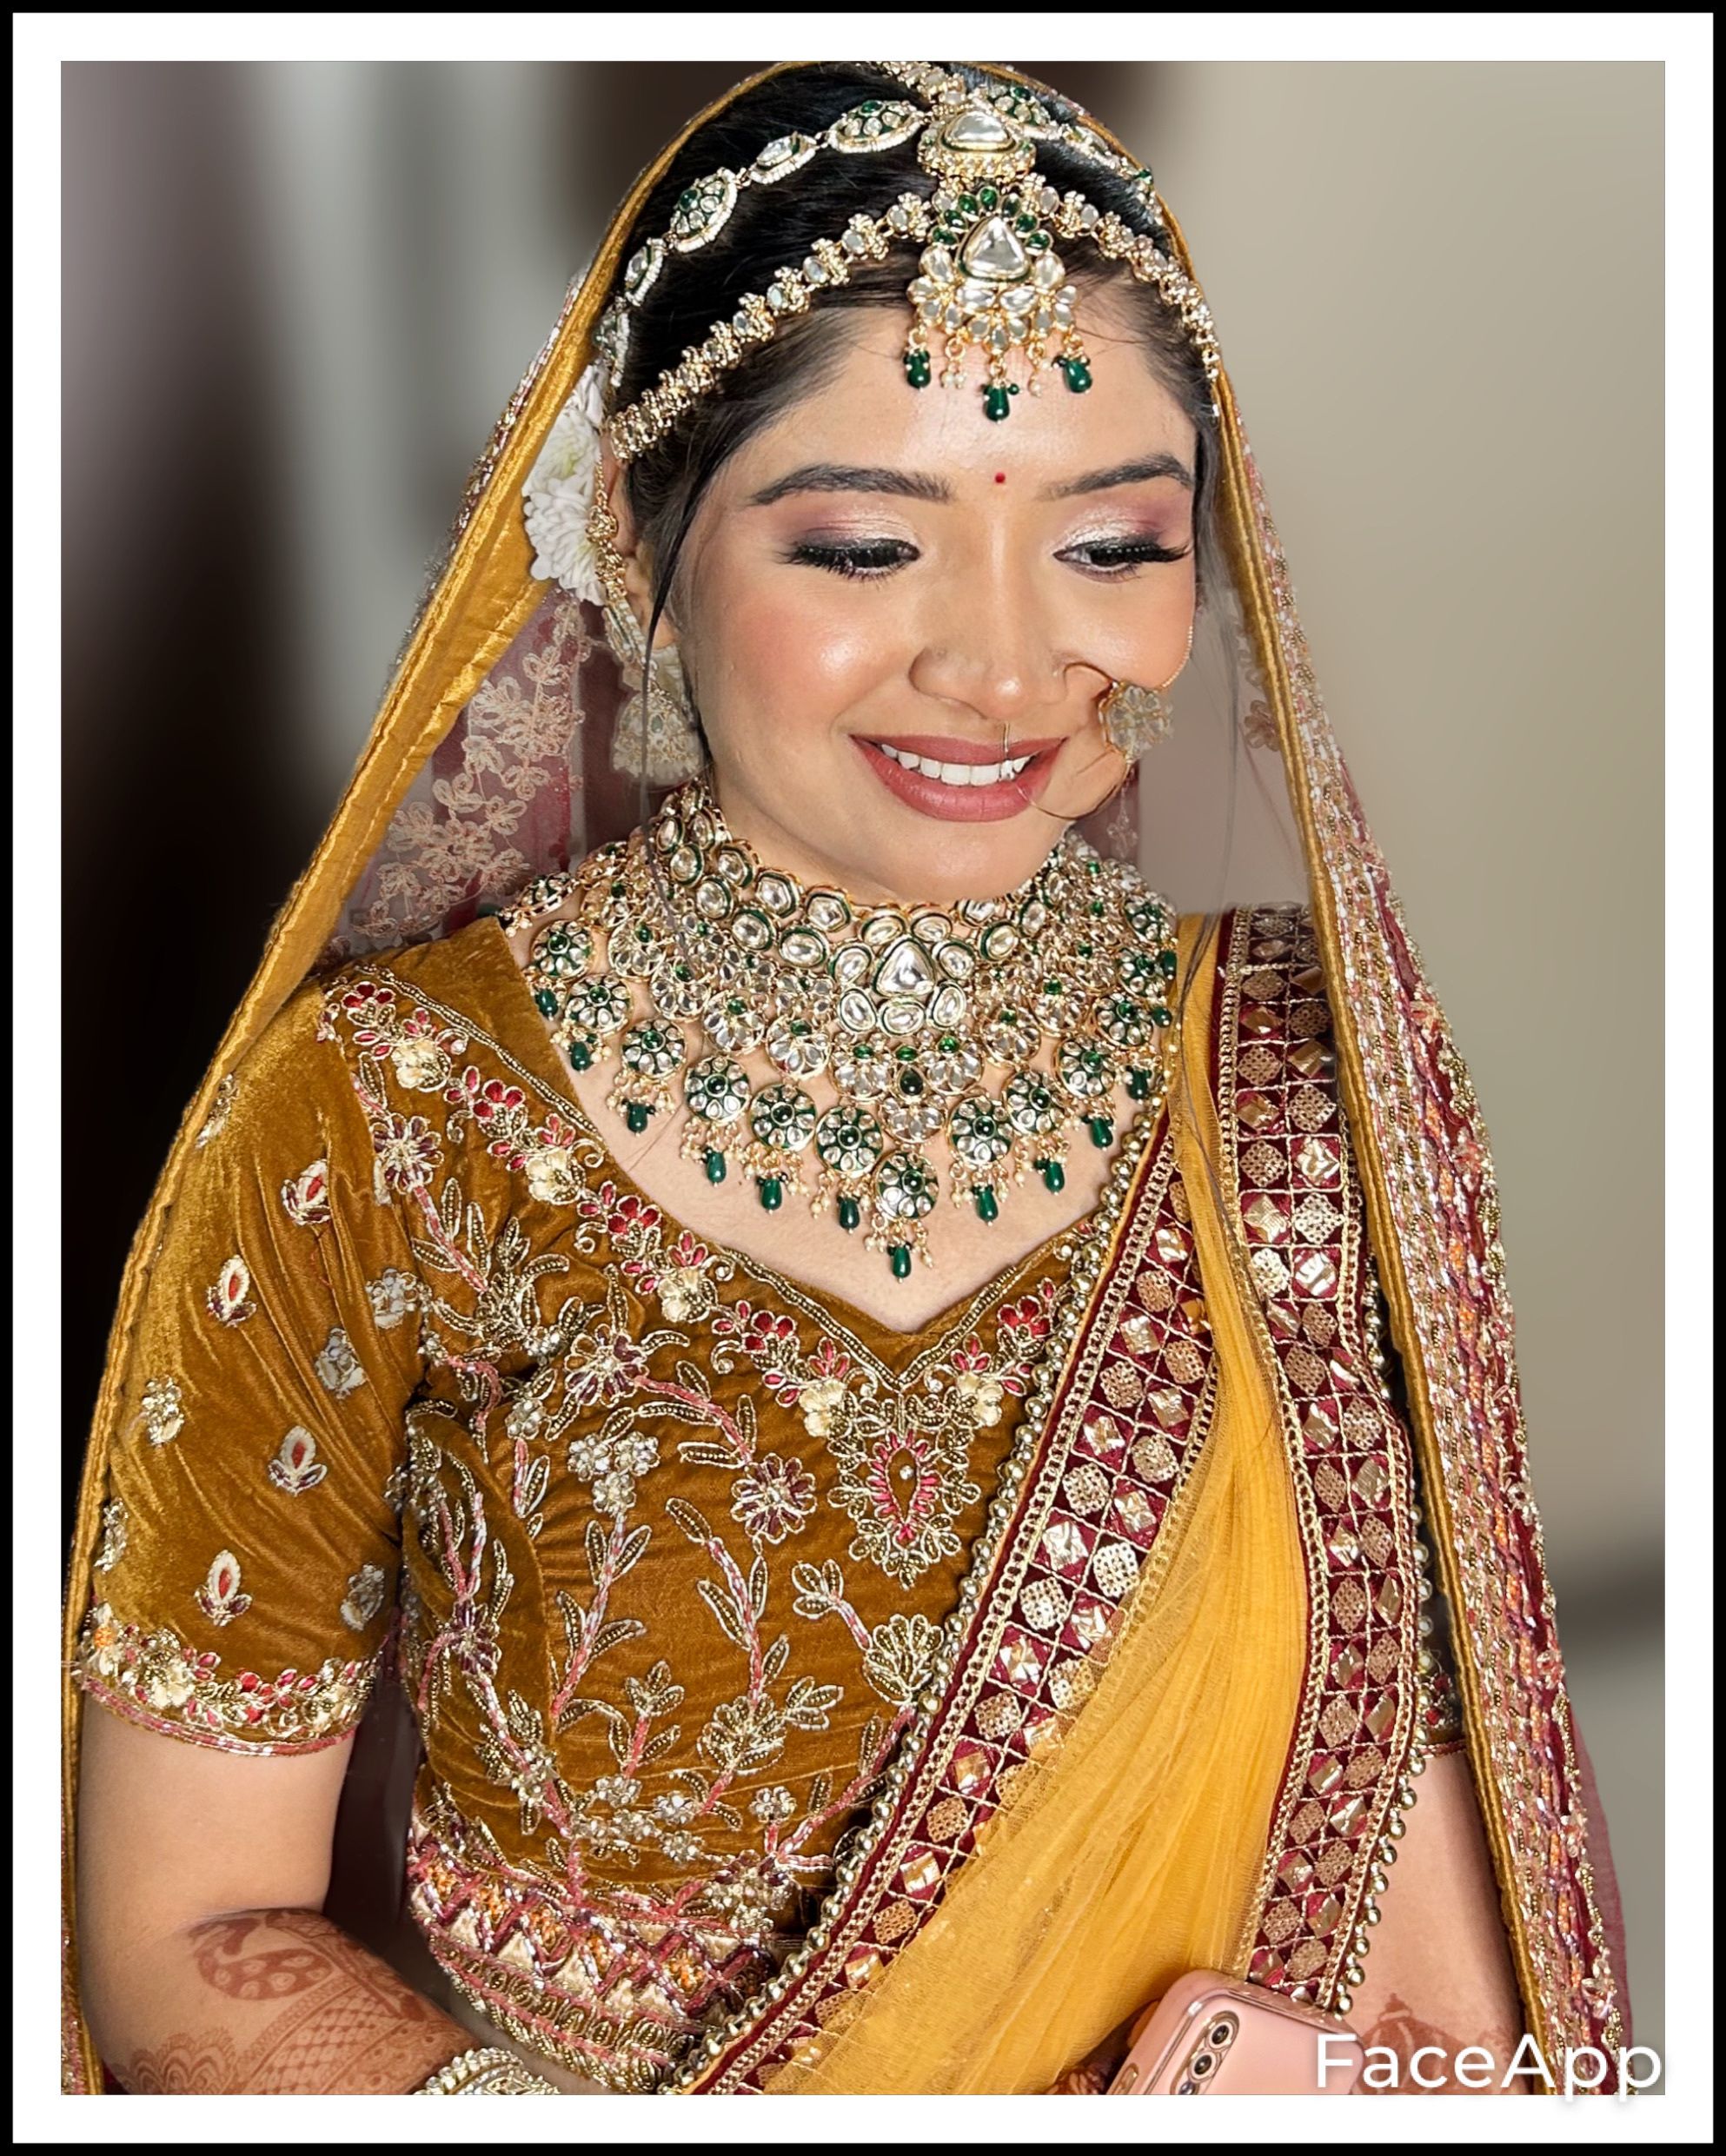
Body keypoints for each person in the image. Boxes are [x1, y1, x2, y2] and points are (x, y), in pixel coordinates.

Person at [62, 60, 1630, 2098]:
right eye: (872, 546)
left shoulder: (1304, 1106)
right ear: (639, 546)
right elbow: (186, 1926)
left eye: (1114, 541)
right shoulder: (384, 1120)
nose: (1004, 666)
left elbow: (1425, 1928)